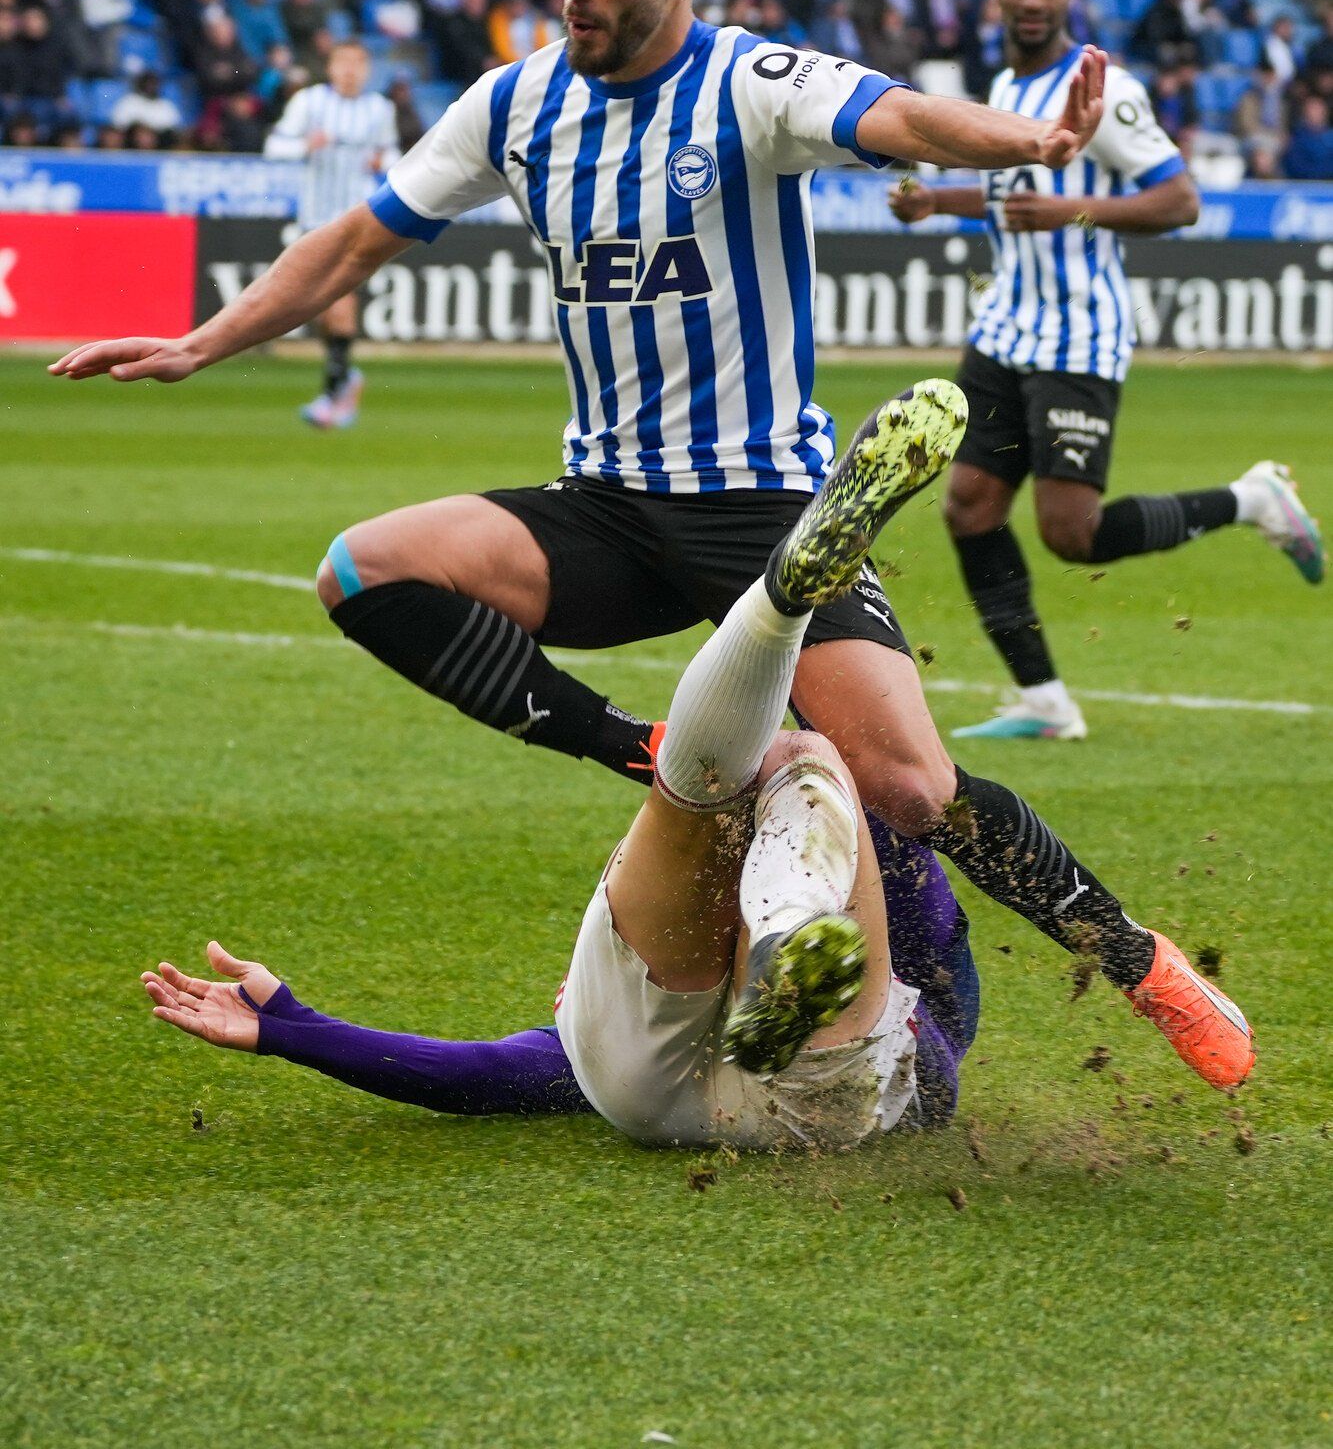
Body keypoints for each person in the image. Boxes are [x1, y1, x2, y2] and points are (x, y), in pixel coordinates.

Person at [53, 0, 1251, 1094]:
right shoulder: (512, 104)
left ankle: (1144, 962)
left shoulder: (750, 80)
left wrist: (1034, 138)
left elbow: (897, 116)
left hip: (767, 509)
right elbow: (360, 235)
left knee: (905, 781)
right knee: (364, 570)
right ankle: (648, 751)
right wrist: (204, 339)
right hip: (607, 509)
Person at [140, 386, 1252, 1143]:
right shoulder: (914, 939)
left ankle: (776, 626)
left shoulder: (606, 1038)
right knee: (818, 769)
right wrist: (299, 1030)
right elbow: (917, 899)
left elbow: (496, 1074)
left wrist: (300, 1029)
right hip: (846, 1082)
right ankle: (778, 696)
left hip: (646, 1097)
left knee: (737, 787)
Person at [891, 0, 1324, 743]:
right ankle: (1043, 701)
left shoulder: (1105, 90)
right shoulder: (1002, 86)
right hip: (1004, 327)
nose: (1029, 0)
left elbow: (1179, 201)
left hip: (1077, 335)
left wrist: (1070, 210)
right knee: (969, 508)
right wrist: (935, 203)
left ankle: (1251, 500)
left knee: (1070, 533)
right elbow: (1011, 196)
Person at [261, 38, 400, 429]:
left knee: (339, 300)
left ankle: (334, 395)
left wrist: (382, 161)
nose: (350, 70)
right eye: (343, 63)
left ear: (367, 69)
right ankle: (345, 379)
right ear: (331, 67)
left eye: (357, 63)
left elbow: (393, 155)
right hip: (313, 219)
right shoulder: (309, 102)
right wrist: (306, 145)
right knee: (321, 305)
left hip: (357, 219)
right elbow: (274, 147)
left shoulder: (379, 109)